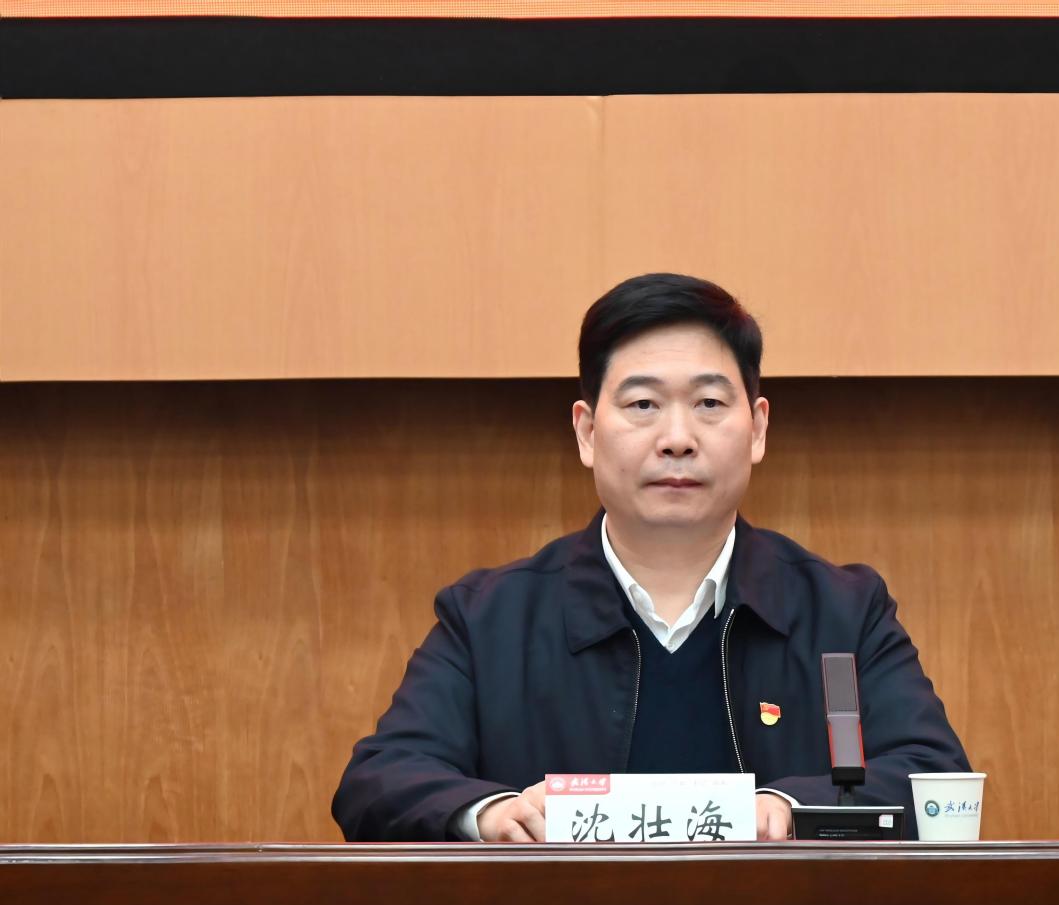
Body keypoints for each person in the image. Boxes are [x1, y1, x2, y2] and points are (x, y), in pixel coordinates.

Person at [332, 272, 969, 842]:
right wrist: (492, 813)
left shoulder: (843, 611)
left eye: (709, 404)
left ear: (758, 428)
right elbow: (380, 781)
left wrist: (791, 807)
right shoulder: (489, 618)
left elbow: (934, 778)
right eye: (643, 405)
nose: (677, 439)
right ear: (586, 432)